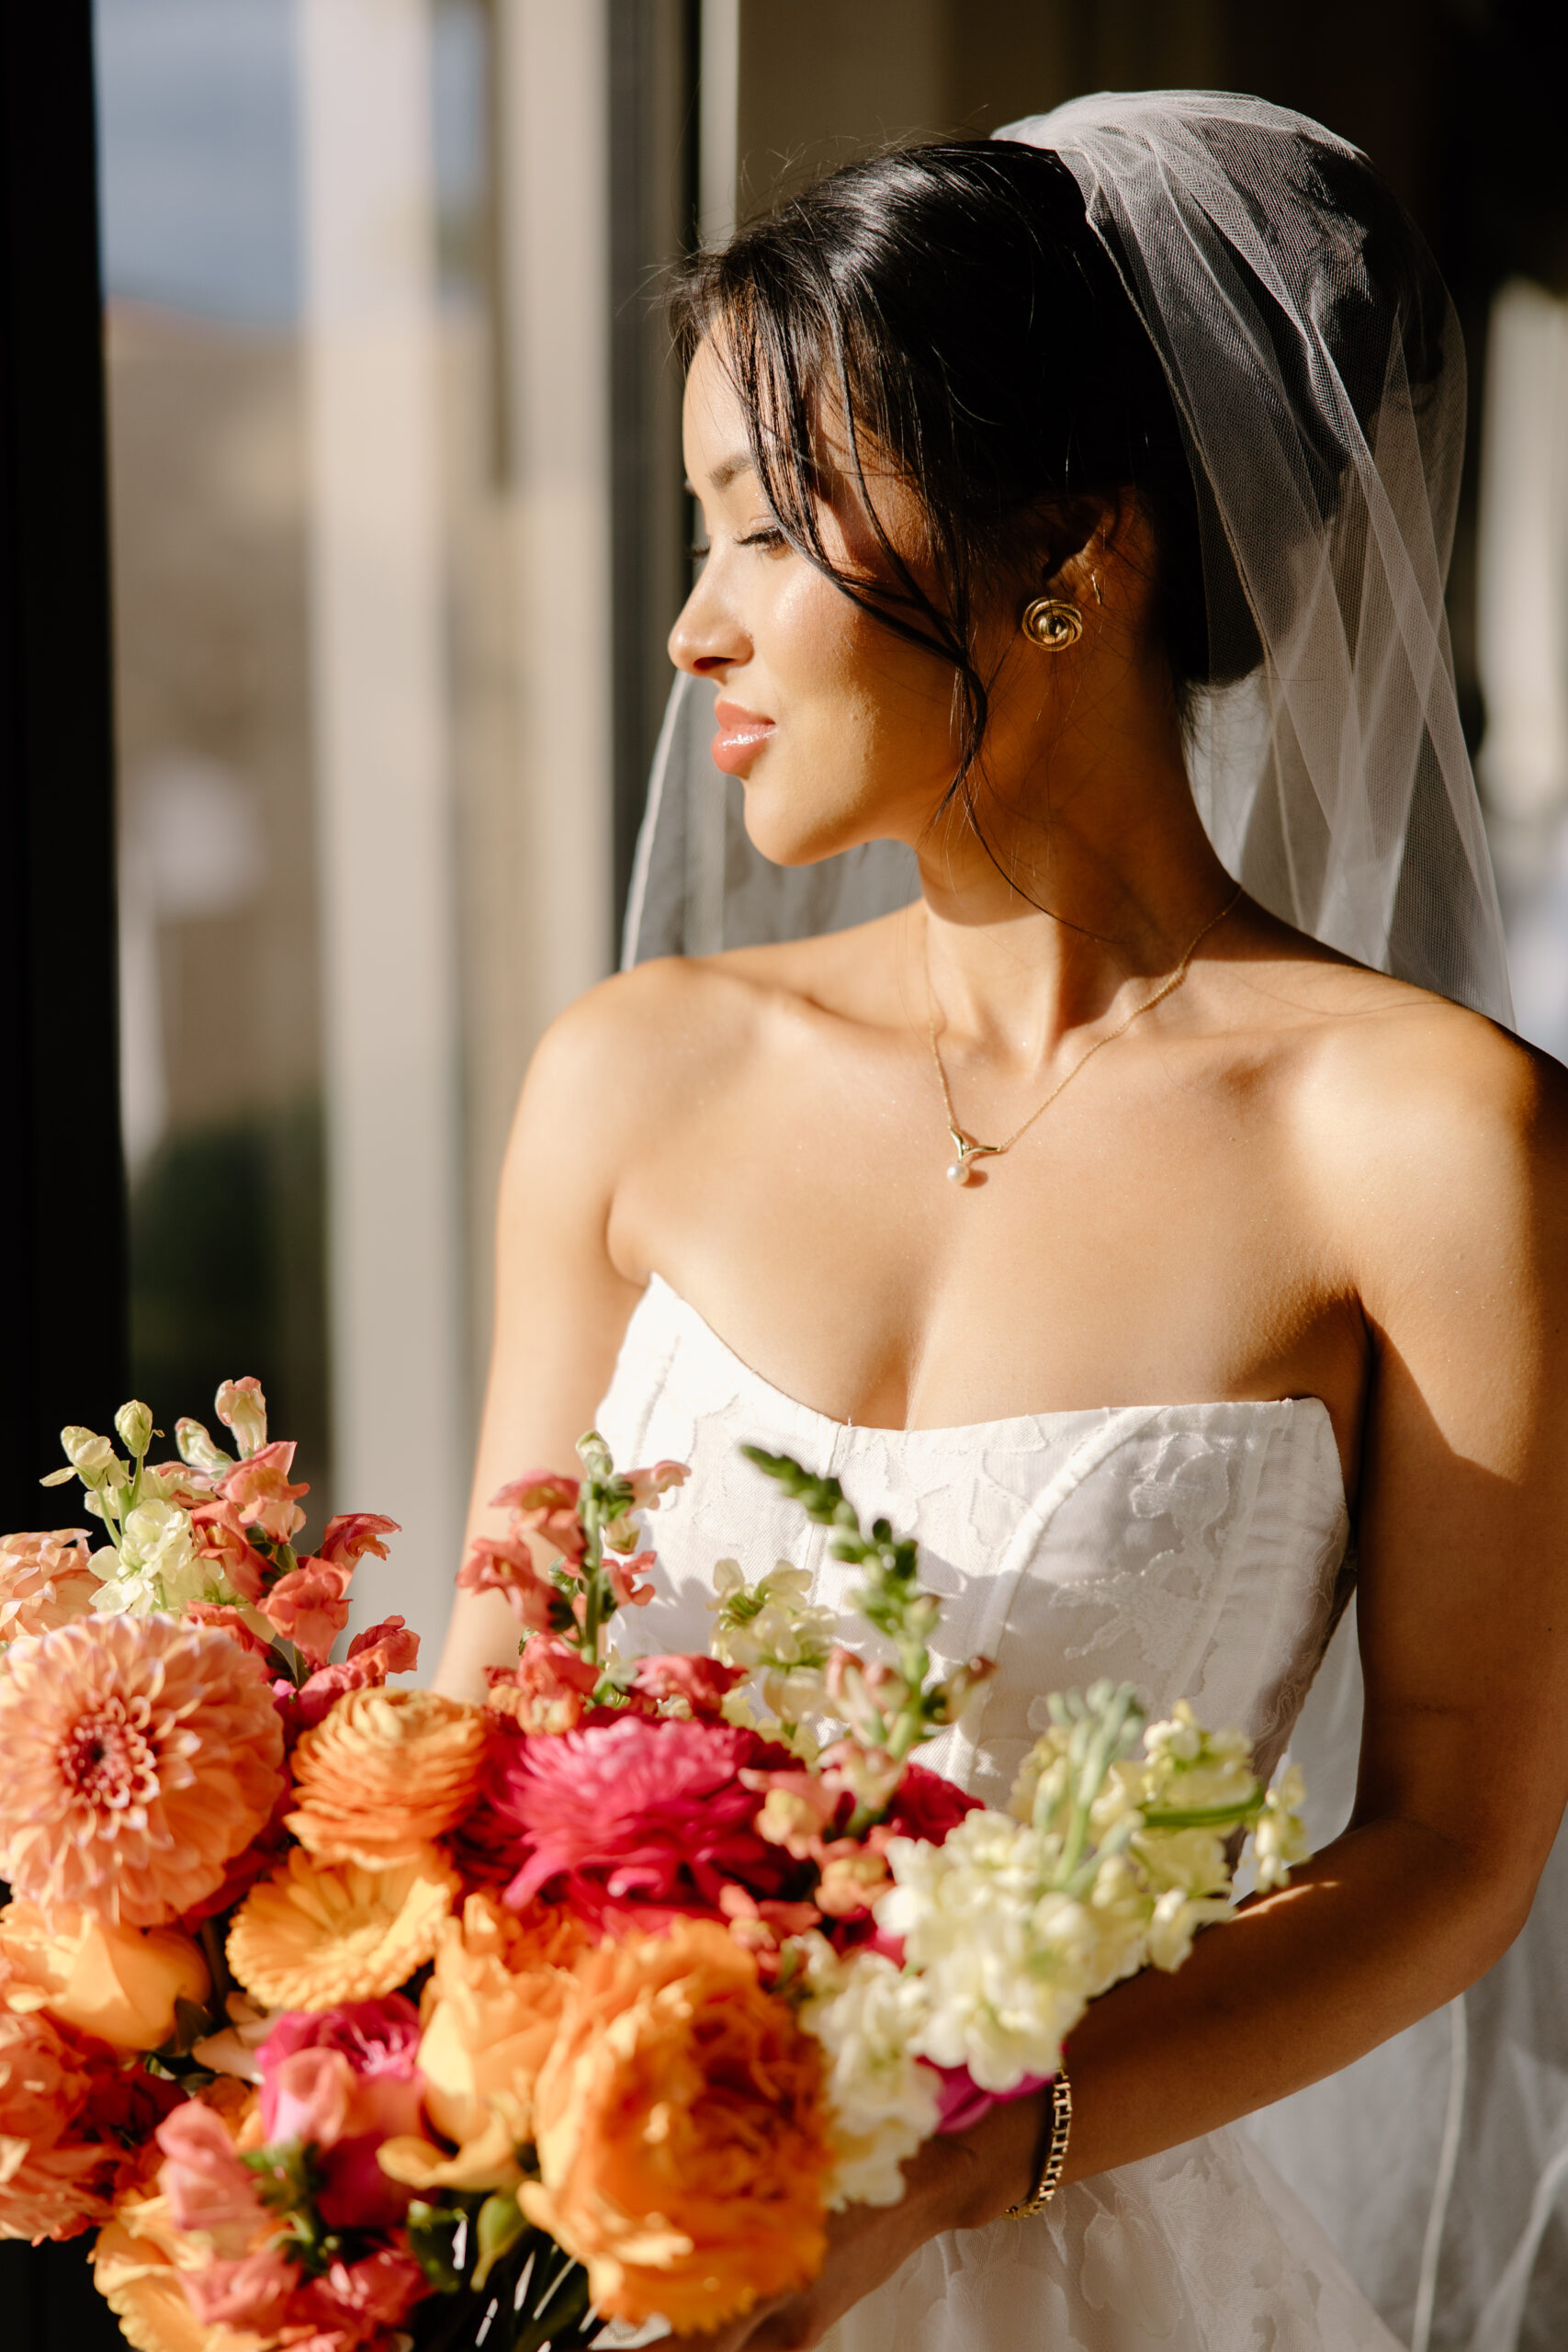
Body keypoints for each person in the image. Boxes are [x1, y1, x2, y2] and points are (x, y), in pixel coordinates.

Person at [437, 94, 1568, 2351]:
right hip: (602, 2259)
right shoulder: (627, 1083)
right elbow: (482, 1749)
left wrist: (974, 2144)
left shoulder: (1428, 1140)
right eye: (699, 528)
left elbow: (1452, 1843)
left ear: (1070, 543)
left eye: (768, 526)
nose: (691, 630)